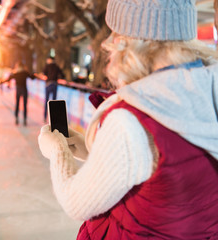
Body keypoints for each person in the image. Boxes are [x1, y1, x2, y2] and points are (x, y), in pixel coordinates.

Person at [38, 0, 218, 239]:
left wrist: (57, 151)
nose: (108, 42)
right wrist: (94, 151)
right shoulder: (208, 92)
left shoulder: (131, 119)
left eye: (114, 32)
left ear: (129, 41)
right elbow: (167, 172)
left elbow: (76, 202)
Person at [2, 61, 36, 125]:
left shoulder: (16, 73)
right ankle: (24, 119)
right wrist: (34, 73)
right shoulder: (25, 73)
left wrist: (0, 82)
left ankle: (16, 118)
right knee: (25, 105)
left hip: (18, 90)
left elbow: (8, 79)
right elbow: (32, 78)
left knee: (17, 104)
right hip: (24, 90)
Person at [41, 57, 64, 121]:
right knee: (54, 102)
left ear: (49, 60)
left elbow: (43, 73)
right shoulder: (56, 67)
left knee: (46, 101)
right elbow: (62, 75)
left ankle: (45, 117)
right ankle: (53, 118)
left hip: (48, 84)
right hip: (54, 84)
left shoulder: (47, 66)